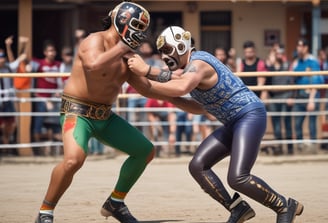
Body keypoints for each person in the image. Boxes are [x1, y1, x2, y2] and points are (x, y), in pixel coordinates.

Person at [34, 3, 203, 223]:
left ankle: (115, 202)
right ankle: (45, 211)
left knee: (145, 151)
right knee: (73, 160)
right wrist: (122, 47)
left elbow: (148, 88)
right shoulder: (94, 41)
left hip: (105, 116)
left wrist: (195, 105)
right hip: (78, 113)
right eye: (136, 25)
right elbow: (93, 65)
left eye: (142, 28)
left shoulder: (128, 56)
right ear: (121, 19)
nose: (138, 32)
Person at [128, 26, 304, 223]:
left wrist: (146, 71)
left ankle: (284, 205)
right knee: (198, 165)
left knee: (238, 177)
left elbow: (181, 86)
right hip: (233, 122)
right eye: (162, 51)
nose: (164, 56)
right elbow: (198, 107)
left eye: (167, 49)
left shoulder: (199, 61)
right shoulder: (186, 71)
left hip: (249, 116)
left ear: (181, 45)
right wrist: (156, 90)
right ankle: (238, 209)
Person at [291, 38, 324, 154]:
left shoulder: (313, 61)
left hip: (311, 94)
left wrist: (312, 100)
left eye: (301, 46)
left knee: (312, 123)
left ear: (306, 48)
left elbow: (316, 81)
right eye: (298, 46)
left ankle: (313, 148)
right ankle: (299, 146)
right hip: (299, 95)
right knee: (298, 122)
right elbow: (293, 80)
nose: (298, 48)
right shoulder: (297, 62)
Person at [265, 45, 295, 155]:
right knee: (276, 124)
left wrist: (291, 96)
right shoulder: (270, 67)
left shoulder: (287, 64)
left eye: (280, 52)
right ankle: (279, 148)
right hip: (274, 97)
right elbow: (266, 80)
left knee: (287, 124)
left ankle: (290, 149)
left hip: (286, 95)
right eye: (276, 52)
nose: (278, 54)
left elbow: (292, 81)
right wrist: (272, 53)